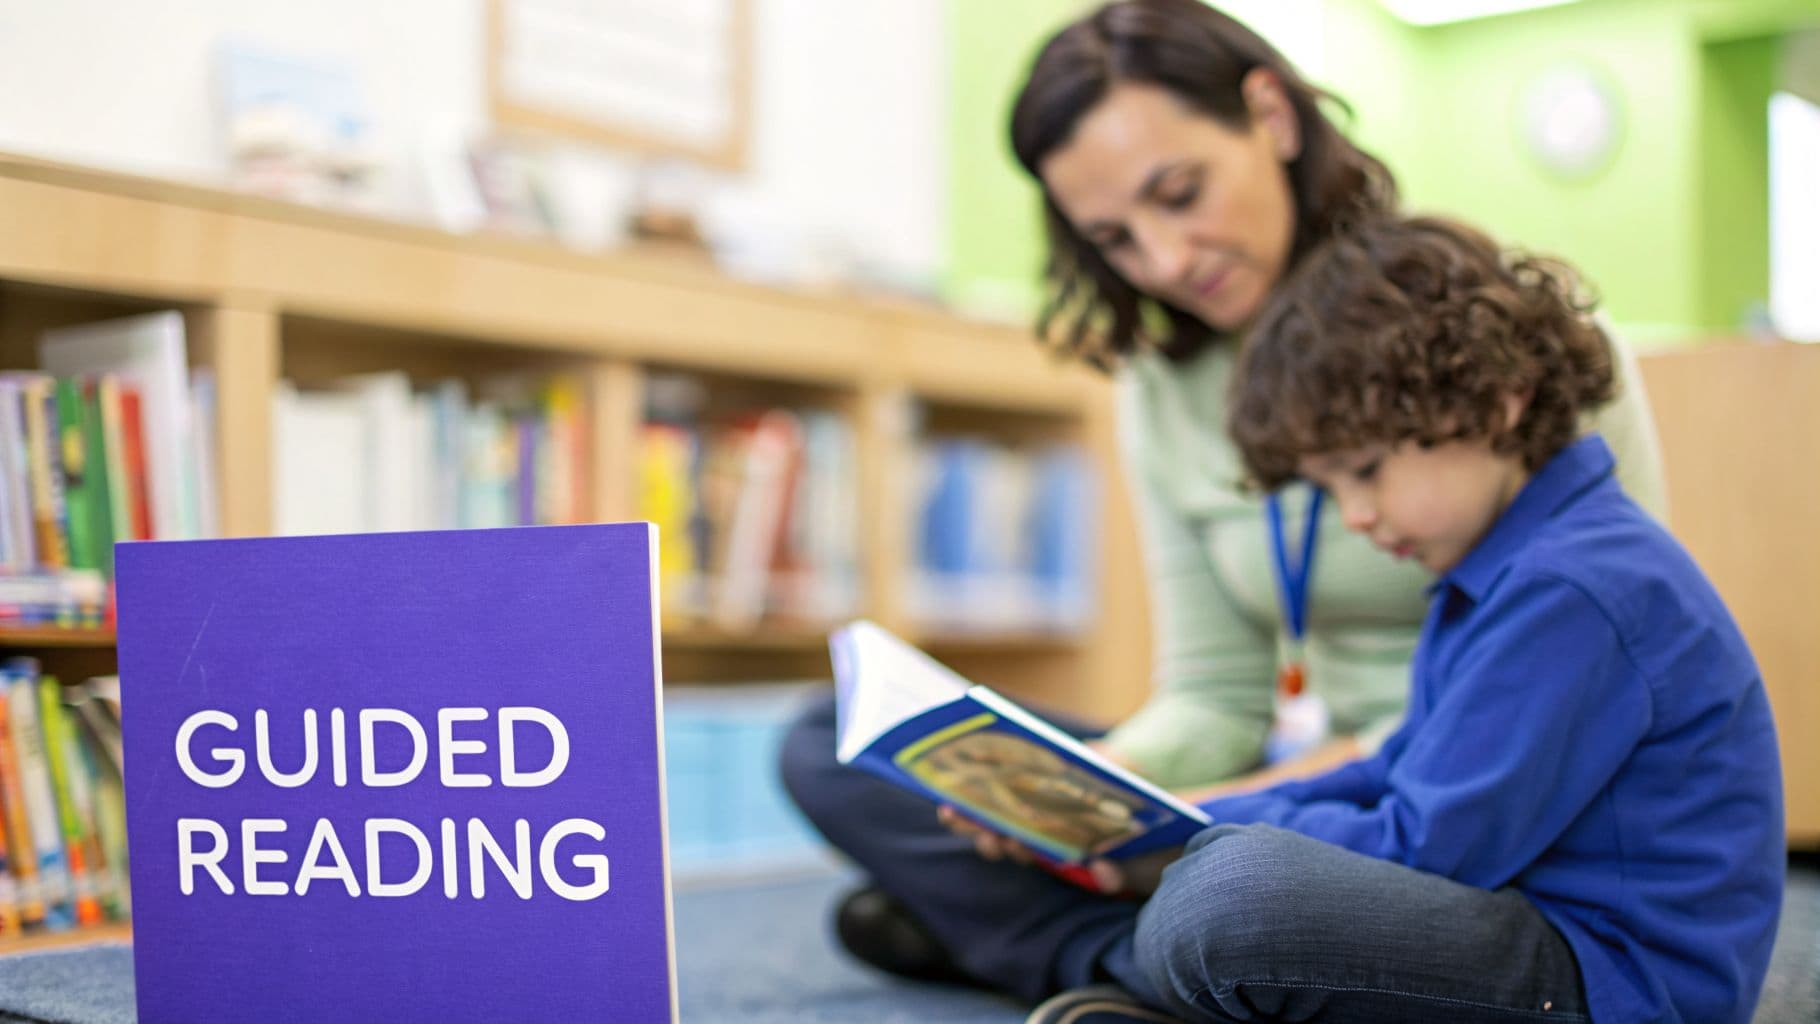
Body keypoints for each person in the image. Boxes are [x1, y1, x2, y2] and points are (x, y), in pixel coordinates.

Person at [779, 0, 1667, 1001]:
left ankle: (1072, 945)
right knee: (824, 739)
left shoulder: (1494, 331)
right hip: (1300, 772)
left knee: (1241, 890)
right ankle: (1132, 956)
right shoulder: (1158, 384)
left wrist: (1221, 814)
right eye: (1113, 237)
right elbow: (1215, 695)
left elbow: (1578, 678)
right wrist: (1084, 792)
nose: (1163, 259)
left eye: (1179, 191)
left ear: (1270, 117)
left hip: (1470, 786)